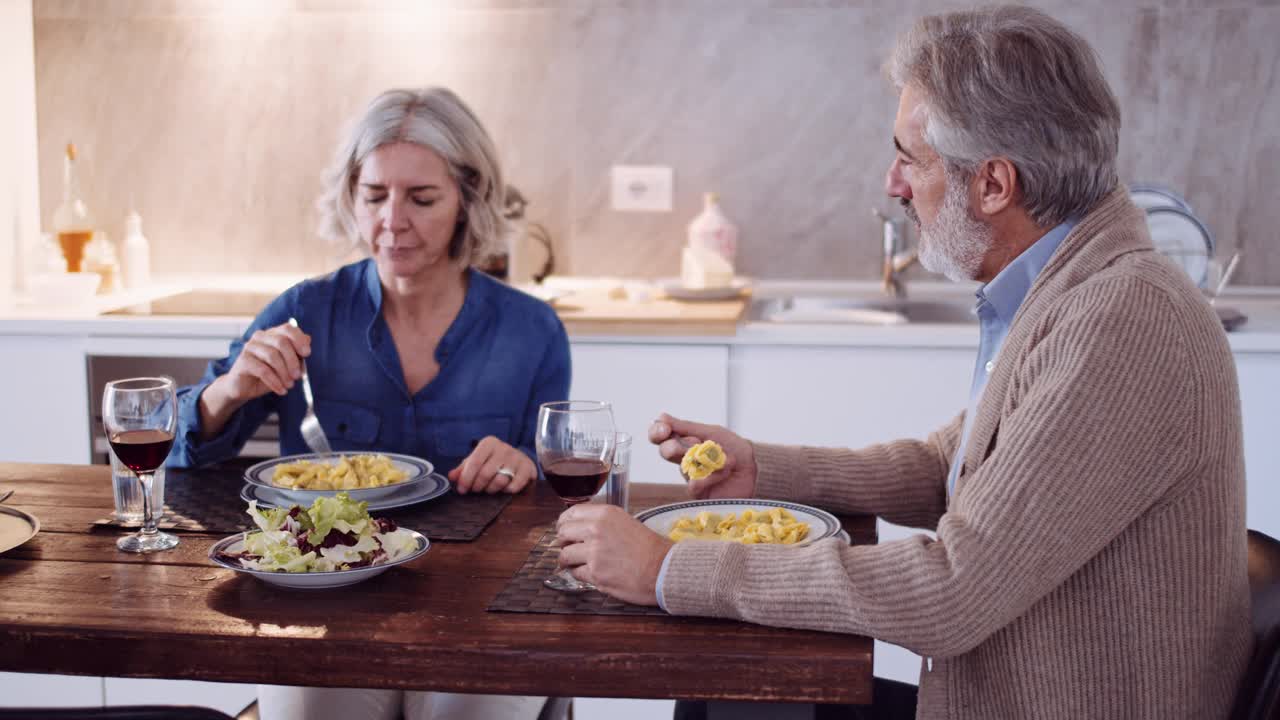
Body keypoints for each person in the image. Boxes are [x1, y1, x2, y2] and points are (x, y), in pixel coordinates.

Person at [552, 6, 1251, 720]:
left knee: (735, 701)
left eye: (910, 159)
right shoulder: (1071, 289)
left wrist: (670, 568)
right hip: (995, 697)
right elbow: (948, 467)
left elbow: (953, 589)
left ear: (993, 185)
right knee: (726, 701)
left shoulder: (1122, 322)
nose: (893, 183)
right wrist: (766, 469)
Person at [171, 87, 568, 720]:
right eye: (374, 195)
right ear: (350, 196)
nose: (392, 221)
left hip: (483, 609)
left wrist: (524, 462)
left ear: (468, 198)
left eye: (422, 198)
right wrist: (231, 387)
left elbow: (559, 485)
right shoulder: (303, 311)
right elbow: (178, 451)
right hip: (324, 607)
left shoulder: (532, 330)